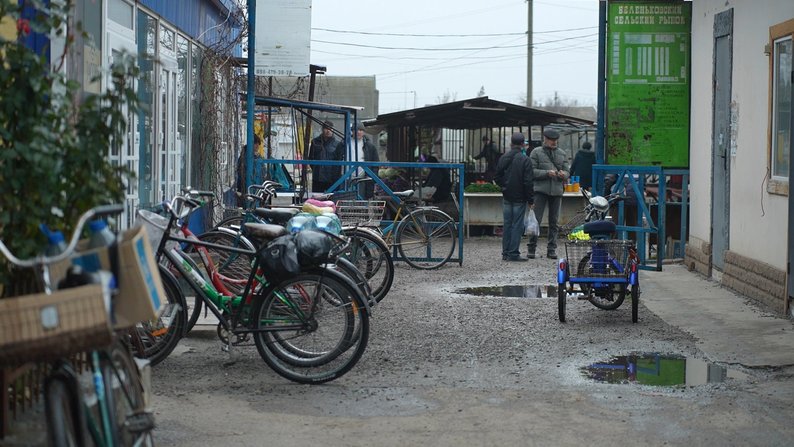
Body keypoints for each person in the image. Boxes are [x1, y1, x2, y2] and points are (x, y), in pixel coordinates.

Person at [527, 128, 569, 259]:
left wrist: (564, 174)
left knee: (554, 222)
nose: (554, 142)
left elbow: (568, 171)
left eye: (555, 140)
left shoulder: (562, 154)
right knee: (536, 220)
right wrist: (546, 173)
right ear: (545, 139)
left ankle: (552, 249)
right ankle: (531, 248)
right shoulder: (536, 152)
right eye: (551, 140)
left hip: (556, 191)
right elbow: (531, 171)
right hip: (540, 191)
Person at [494, 132, 534, 262]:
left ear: (511, 143)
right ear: (523, 144)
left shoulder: (504, 157)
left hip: (507, 196)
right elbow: (528, 182)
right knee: (517, 225)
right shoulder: (525, 160)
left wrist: (504, 186)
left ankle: (505, 253)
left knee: (507, 224)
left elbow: (496, 176)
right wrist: (530, 199)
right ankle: (513, 253)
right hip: (520, 197)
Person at [339, 122, 379, 198]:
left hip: (362, 179)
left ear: (363, 131)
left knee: (360, 201)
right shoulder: (343, 143)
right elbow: (336, 158)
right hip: (345, 178)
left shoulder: (369, 146)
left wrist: (373, 177)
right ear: (352, 131)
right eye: (356, 130)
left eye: (361, 130)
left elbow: (375, 163)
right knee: (344, 201)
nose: (358, 132)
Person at [308, 120, 342, 193]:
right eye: (326, 128)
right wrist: (316, 169)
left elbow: (339, 161)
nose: (328, 131)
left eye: (330, 129)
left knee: (331, 200)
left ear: (333, 130)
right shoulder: (315, 142)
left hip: (331, 179)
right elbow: (311, 158)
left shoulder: (337, 144)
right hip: (317, 178)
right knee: (317, 200)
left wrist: (334, 173)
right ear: (322, 129)